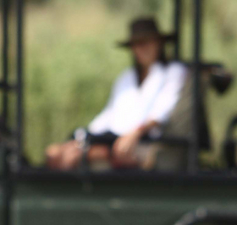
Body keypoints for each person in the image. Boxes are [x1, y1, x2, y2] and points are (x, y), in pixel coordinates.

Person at [44, 16, 186, 170]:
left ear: (159, 43)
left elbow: (161, 112)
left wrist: (134, 134)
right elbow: (109, 113)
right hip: (111, 137)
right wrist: (86, 135)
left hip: (143, 139)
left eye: (147, 42)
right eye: (137, 44)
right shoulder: (126, 77)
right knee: (54, 151)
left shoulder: (172, 72)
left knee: (80, 156)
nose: (142, 48)